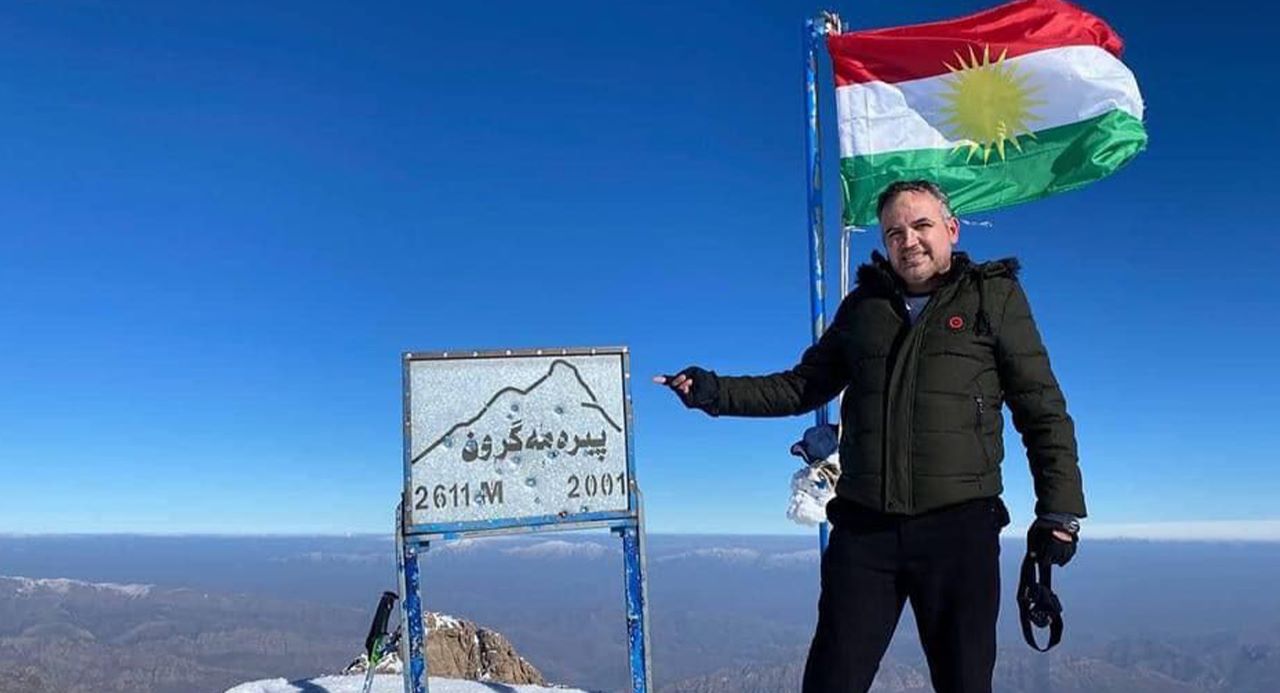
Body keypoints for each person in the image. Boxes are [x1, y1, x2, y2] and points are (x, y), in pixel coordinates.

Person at [654, 179, 1086, 693]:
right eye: (894, 232)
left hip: (959, 530)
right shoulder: (864, 309)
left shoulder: (992, 297)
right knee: (833, 678)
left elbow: (1040, 407)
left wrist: (1059, 511)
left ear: (951, 228)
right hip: (865, 531)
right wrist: (712, 391)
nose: (909, 240)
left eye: (922, 225)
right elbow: (802, 386)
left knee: (965, 681)